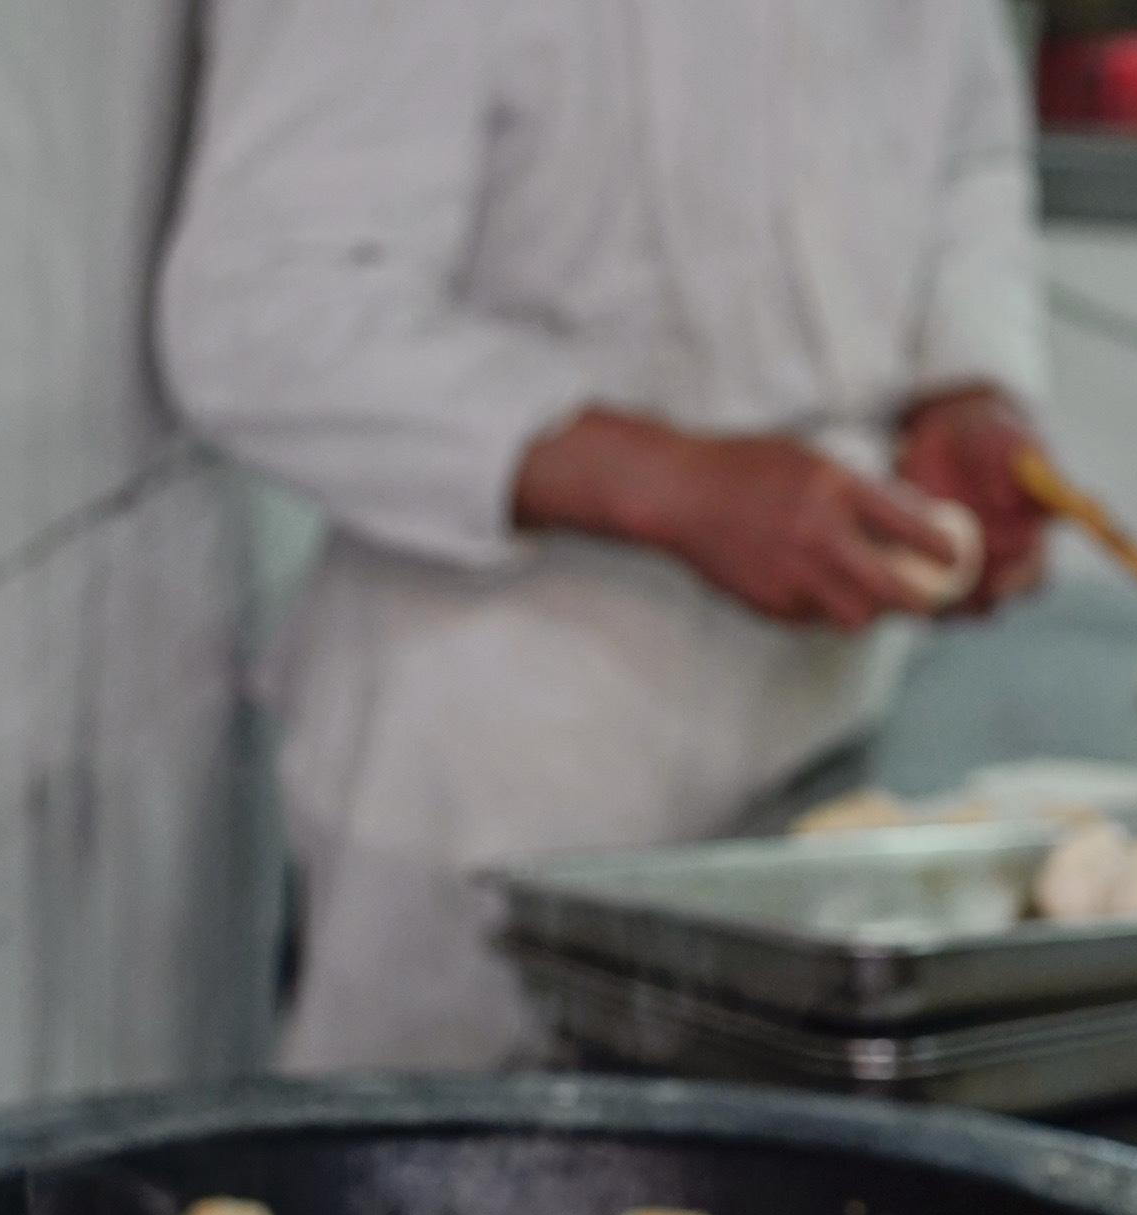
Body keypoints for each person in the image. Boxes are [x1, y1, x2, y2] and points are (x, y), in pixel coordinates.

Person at [156, 0, 1054, 1072]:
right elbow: (265, 313)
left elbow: (969, 153)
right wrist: (678, 488)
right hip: (504, 756)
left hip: (824, 719)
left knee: (782, 1204)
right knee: (454, 1194)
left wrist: (963, 381)